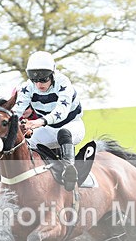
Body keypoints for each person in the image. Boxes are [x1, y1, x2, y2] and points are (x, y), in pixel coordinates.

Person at [12, 51, 85, 191]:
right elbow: (16, 111)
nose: (39, 84)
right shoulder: (27, 87)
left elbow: (61, 112)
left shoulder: (63, 83)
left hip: (72, 126)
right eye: (34, 79)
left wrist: (39, 122)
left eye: (43, 79)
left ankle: (69, 170)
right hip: (48, 129)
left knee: (64, 133)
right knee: (26, 142)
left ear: (52, 74)